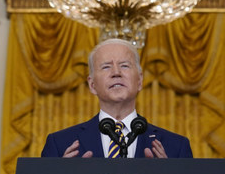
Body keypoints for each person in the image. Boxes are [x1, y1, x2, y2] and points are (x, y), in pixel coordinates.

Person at [40, 38, 193, 158]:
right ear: (92, 85)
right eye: (106, 67)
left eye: (124, 65)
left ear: (139, 80)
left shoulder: (175, 147)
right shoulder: (61, 144)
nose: (116, 73)